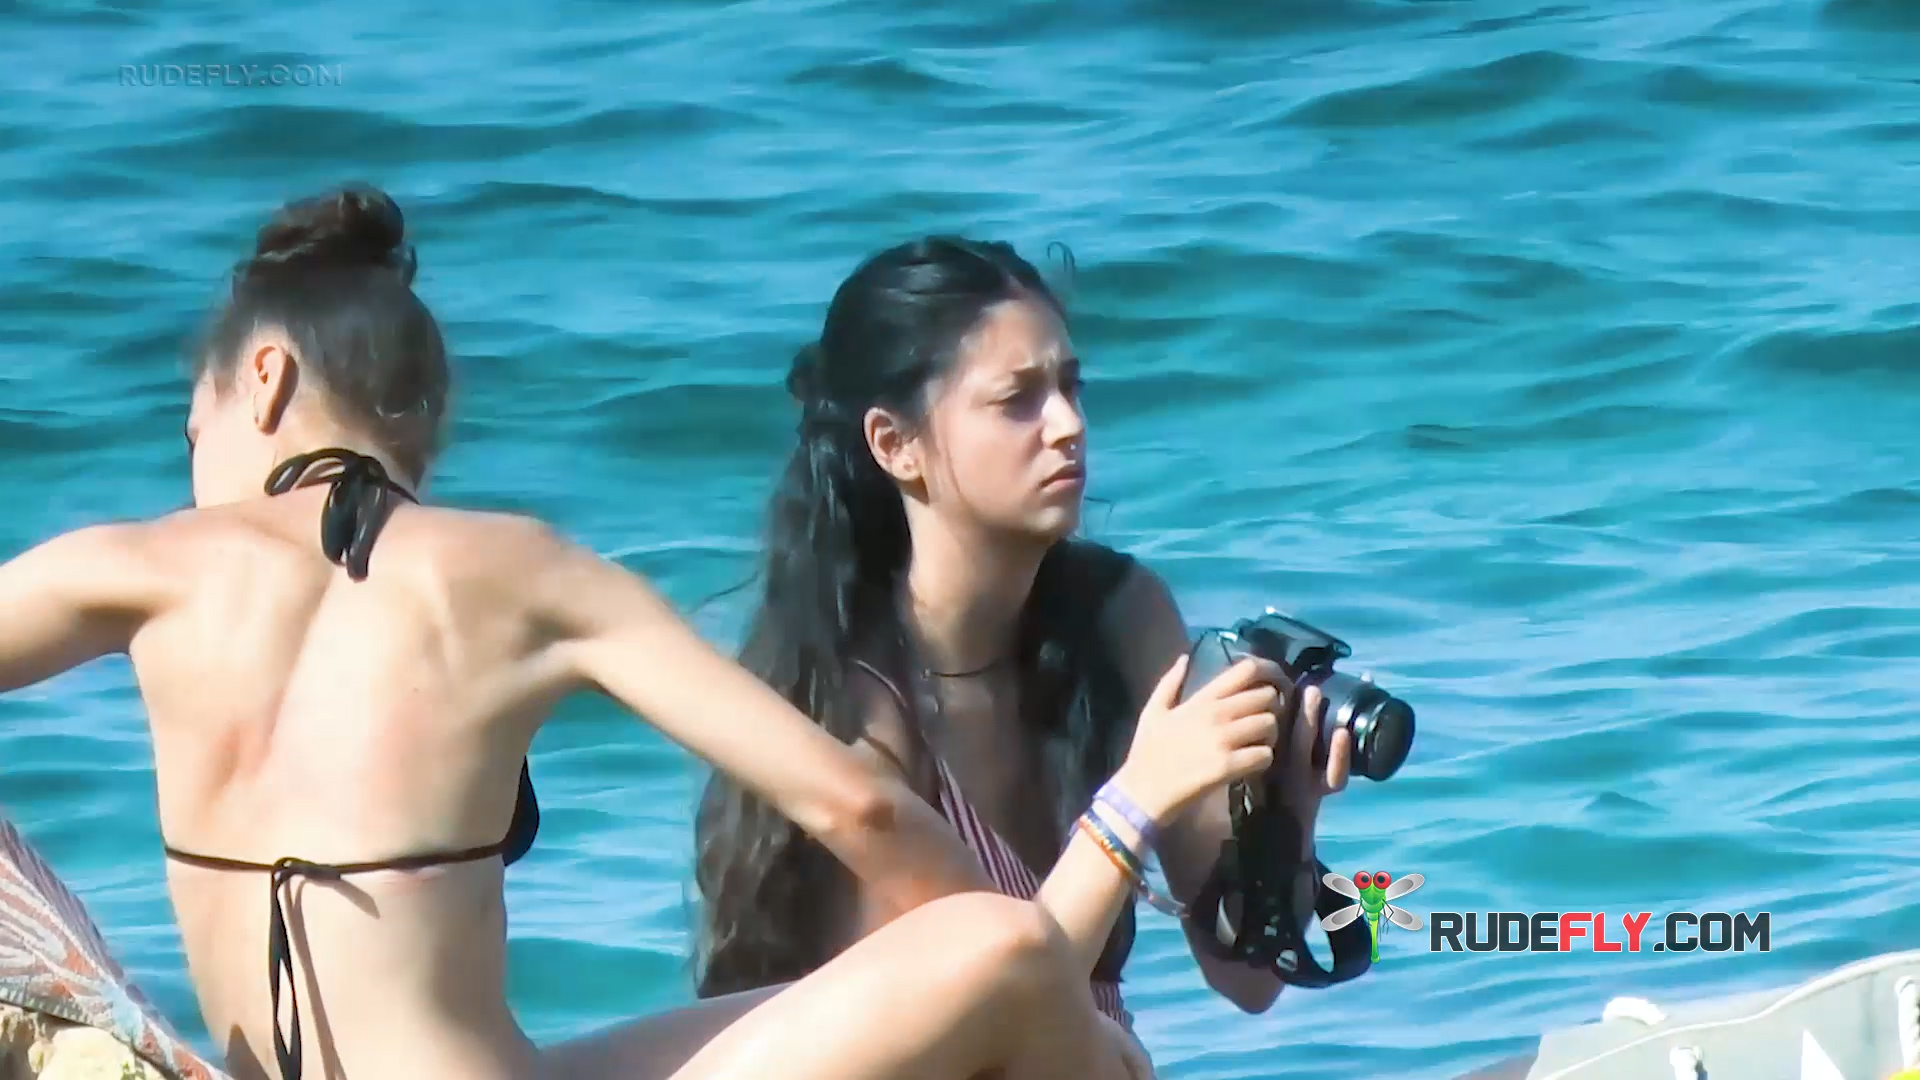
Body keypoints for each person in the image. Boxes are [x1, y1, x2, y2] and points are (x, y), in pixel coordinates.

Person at [0, 188, 1288, 1080]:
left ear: (265, 381)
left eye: (193, 427)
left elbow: (1257, 955)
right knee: (1001, 943)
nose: (194, 460)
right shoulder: (522, 573)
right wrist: (1039, 998)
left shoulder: (127, 570)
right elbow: (861, 810)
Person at [691, 236, 1354, 1072]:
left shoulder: (1118, 619)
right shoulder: (857, 713)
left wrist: (1285, 818)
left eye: (1071, 388)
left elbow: (1248, 981)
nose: (1069, 426)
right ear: (895, 445)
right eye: (1019, 400)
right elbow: (964, 1036)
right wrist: (1137, 799)